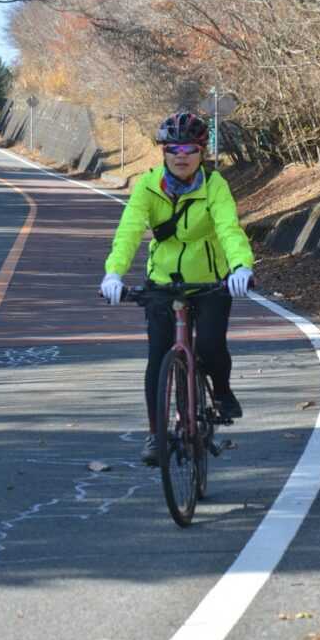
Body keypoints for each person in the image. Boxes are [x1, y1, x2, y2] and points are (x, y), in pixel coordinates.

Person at [100, 111, 255, 466]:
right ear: (163, 152)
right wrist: (113, 274)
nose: (180, 155)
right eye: (173, 148)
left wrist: (240, 267)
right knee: (158, 355)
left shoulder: (215, 185)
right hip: (163, 283)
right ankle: (157, 434)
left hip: (211, 281)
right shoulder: (148, 185)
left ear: (202, 152)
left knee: (212, 345)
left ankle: (222, 391)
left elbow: (229, 228)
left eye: (189, 148)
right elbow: (128, 231)